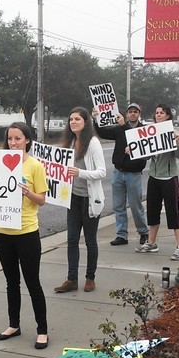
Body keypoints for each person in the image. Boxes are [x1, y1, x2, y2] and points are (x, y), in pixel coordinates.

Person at [0, 123, 50, 349]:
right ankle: (14, 325)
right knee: (11, 282)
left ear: (27, 140)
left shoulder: (35, 166)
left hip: (27, 232)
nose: (13, 143)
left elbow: (42, 199)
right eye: (10, 139)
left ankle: (42, 330)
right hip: (3, 232)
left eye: (18, 138)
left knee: (32, 282)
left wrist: (28, 193)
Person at [54, 106, 106, 293]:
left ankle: (90, 278)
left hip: (90, 200)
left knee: (90, 240)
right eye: (71, 119)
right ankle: (71, 279)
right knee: (72, 239)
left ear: (85, 122)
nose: (73, 122)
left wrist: (80, 172)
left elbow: (102, 172)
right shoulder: (69, 143)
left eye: (77, 119)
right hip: (73, 198)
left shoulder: (92, 143)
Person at [93, 103, 149, 247]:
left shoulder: (144, 130)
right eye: (130, 111)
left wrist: (124, 126)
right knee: (118, 206)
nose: (132, 114)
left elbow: (146, 151)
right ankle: (121, 234)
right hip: (118, 172)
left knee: (136, 205)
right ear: (127, 113)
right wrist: (95, 119)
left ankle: (143, 232)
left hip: (134, 174)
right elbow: (103, 133)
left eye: (135, 112)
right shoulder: (119, 129)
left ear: (139, 113)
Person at [135, 104, 179, 261]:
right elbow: (146, 156)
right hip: (154, 177)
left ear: (168, 116)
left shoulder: (173, 132)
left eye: (162, 113)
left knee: (173, 213)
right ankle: (151, 243)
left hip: (169, 178)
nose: (158, 115)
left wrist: (176, 140)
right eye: (156, 113)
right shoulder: (150, 133)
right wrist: (134, 150)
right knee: (153, 211)